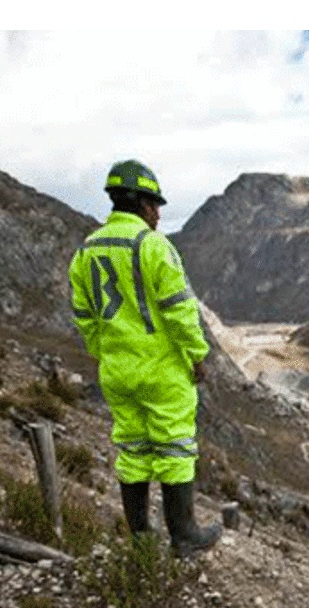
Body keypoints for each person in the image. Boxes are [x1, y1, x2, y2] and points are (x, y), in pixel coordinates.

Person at [68, 159, 220, 557]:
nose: (158, 213)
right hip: (162, 370)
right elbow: (179, 311)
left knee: (132, 449)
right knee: (174, 447)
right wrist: (197, 356)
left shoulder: (86, 250)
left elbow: (85, 316)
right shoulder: (152, 246)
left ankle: (140, 536)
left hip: (117, 370)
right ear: (139, 203)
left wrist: (105, 353)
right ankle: (184, 535)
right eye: (154, 204)